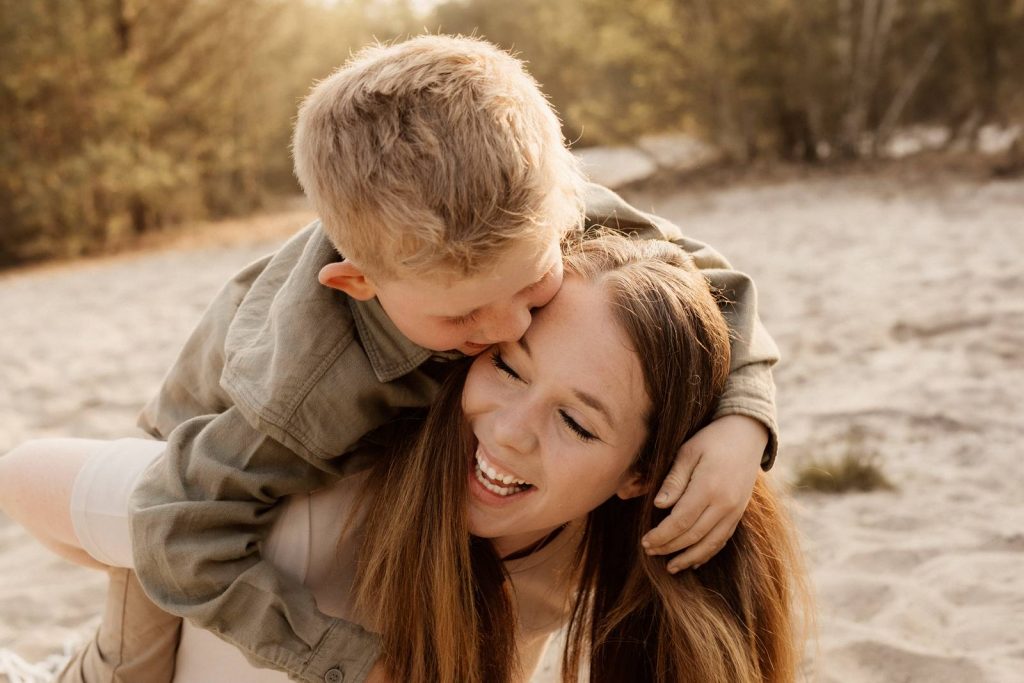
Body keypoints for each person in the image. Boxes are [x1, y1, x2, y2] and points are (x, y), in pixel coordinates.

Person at [15, 34, 781, 682]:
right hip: (198, 460)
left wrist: (743, 419)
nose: (511, 321)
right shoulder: (301, 404)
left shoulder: (522, 210)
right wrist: (344, 659)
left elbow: (706, 279)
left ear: (564, 208)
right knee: (133, 659)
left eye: (533, 287)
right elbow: (173, 527)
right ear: (360, 284)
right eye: (486, 338)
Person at [0, 233, 806, 683]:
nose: (511, 431)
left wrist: (742, 417)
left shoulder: (595, 549)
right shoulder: (315, 494)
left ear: (638, 473)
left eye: (576, 423)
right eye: (508, 367)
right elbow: (22, 472)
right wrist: (149, 567)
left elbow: (699, 284)